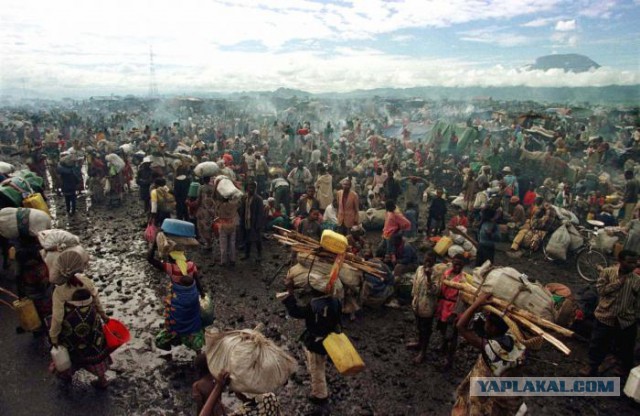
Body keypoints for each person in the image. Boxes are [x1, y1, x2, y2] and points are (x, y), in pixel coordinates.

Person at [452, 291, 526, 416]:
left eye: (487, 321)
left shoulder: (493, 348)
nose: (485, 322)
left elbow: (460, 326)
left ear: (493, 327)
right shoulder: (517, 342)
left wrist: (477, 304)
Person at [48, 250, 112, 389]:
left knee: (69, 352)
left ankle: (66, 376)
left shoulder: (59, 291)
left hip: (72, 329)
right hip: (91, 323)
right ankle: (102, 380)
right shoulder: (86, 281)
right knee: (95, 350)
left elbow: (57, 317)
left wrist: (53, 336)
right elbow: (96, 301)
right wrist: (104, 316)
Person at [282, 276, 341, 415]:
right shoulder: (336, 301)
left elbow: (295, 312)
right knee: (320, 364)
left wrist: (290, 292)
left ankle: (320, 396)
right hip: (331, 340)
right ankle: (321, 389)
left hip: (317, 342)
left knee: (316, 368)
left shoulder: (313, 305)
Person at [582, 250, 640, 376]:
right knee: (597, 343)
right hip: (605, 316)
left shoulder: (637, 280)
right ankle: (592, 366)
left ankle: (623, 368)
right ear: (620, 261)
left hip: (625, 320)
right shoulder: (607, 272)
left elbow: (638, 302)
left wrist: (635, 316)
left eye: (635, 262)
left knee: (626, 347)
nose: (633, 265)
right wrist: (618, 283)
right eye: (629, 262)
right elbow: (601, 291)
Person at [147, 245, 205, 351]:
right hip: (193, 300)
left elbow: (149, 259)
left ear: (172, 258)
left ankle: (173, 341)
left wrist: (155, 244)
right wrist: (203, 295)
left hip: (178, 302)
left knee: (177, 322)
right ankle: (197, 349)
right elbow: (197, 282)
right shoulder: (191, 265)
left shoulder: (171, 268)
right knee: (193, 321)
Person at [407, 250, 441, 363]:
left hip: (428, 306)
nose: (427, 263)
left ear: (434, 262)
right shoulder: (419, 269)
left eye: (430, 261)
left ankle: (423, 352)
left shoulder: (436, 273)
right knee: (418, 325)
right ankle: (419, 342)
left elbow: (435, 291)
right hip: (417, 303)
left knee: (426, 329)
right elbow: (415, 283)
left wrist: (429, 278)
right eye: (426, 260)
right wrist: (413, 298)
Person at [435, 254, 466, 371]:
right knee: (443, 328)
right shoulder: (447, 273)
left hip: (453, 307)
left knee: (452, 335)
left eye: (460, 264)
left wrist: (455, 313)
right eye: (455, 263)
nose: (457, 266)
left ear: (463, 265)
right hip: (443, 305)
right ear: (452, 262)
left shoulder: (463, 280)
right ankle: (443, 346)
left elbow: (461, 299)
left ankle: (449, 360)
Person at [239, 182, 265, 262]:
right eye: (249, 187)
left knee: (257, 239)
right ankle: (247, 254)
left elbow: (260, 213)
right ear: (247, 188)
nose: (251, 189)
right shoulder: (244, 198)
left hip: (254, 222)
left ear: (255, 188)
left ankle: (259, 255)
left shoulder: (258, 199)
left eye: (252, 188)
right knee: (247, 238)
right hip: (246, 221)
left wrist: (258, 224)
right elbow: (242, 210)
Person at [214, 194, 239, 267]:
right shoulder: (234, 205)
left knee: (223, 245)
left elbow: (217, 214)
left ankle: (223, 261)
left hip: (223, 226)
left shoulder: (220, 206)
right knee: (232, 244)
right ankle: (232, 260)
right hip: (232, 225)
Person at [196, 177, 217, 250]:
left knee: (203, 227)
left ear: (203, 179)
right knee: (210, 225)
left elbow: (199, 199)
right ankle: (210, 242)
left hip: (204, 209)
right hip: (212, 209)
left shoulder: (201, 188)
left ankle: (208, 243)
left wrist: (196, 207)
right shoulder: (214, 187)